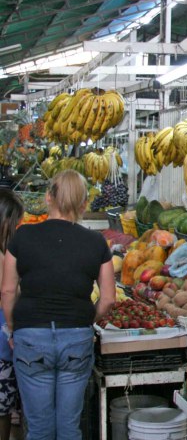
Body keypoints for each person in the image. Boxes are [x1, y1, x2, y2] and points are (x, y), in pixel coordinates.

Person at [1, 170, 116, 440]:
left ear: (48, 197)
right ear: (84, 205)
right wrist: (88, 320)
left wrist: (12, 327)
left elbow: (7, 290)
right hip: (76, 337)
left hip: (30, 337)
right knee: (68, 427)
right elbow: (109, 298)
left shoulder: (22, 237)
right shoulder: (96, 242)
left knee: (39, 428)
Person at [0, 190, 23, 440]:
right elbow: (8, 291)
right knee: (2, 408)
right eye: (15, 223)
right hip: (2, 344)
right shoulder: (2, 257)